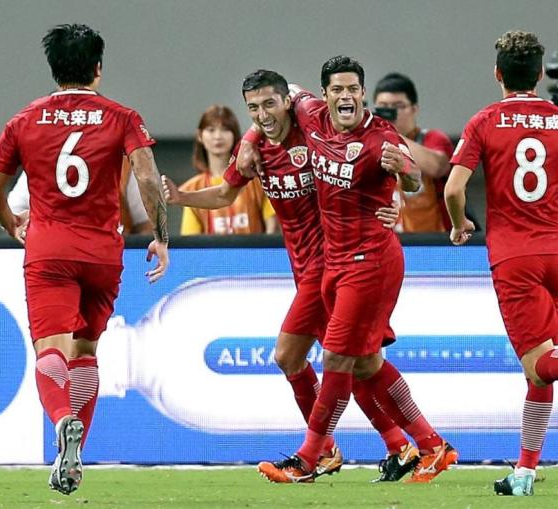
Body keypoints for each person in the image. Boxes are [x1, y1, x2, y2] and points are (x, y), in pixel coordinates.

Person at [163, 69, 420, 482]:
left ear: (287, 102)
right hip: (304, 269)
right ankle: (404, 444)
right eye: (253, 108)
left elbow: (359, 159)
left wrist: (393, 196)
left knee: (293, 355)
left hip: (332, 263)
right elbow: (226, 193)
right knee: (358, 363)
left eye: (270, 104)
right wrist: (180, 197)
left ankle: (320, 453)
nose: (263, 114)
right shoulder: (255, 150)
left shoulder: (312, 128)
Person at [243, 57, 458, 484]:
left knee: (337, 358)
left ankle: (309, 459)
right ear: (324, 95)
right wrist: (250, 138)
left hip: (371, 261)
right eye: (337, 90)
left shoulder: (380, 137)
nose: (346, 97)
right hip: (335, 263)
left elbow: (415, 179)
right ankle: (430, 445)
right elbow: (283, 92)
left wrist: (405, 177)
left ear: (362, 93)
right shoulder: (310, 115)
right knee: (365, 364)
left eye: (353, 89)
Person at [444, 31, 558, 496]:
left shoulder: (484, 121)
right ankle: (524, 471)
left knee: (541, 363)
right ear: (540, 74)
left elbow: (453, 189)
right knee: (541, 367)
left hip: (514, 255)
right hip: (557, 253)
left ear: (497, 74)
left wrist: (460, 225)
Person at [0, 24, 169, 495]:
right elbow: (147, 177)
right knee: (87, 353)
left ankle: (61, 421)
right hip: (102, 253)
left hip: (50, 250)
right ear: (98, 68)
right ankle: (72, 459)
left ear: (54, 70)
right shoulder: (122, 117)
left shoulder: (23, 121)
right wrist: (161, 235)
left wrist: (10, 223)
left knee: (51, 351)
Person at [179, 104, 277, 235]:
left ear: (235, 135)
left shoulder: (257, 181)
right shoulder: (192, 189)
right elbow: (191, 241)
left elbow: (273, 230)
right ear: (200, 136)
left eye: (225, 130)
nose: (218, 136)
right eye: (211, 130)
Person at [373, 73, 454, 232]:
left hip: (431, 240)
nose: (390, 113)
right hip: (386, 241)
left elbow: (438, 167)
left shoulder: (431, 138)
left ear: (414, 109)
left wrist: (391, 135)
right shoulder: (370, 143)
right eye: (383, 107)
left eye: (398, 106)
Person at [8, 156, 153, 236]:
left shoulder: (122, 166)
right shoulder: (42, 160)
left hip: (109, 259)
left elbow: (146, 226)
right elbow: (13, 213)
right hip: (53, 256)